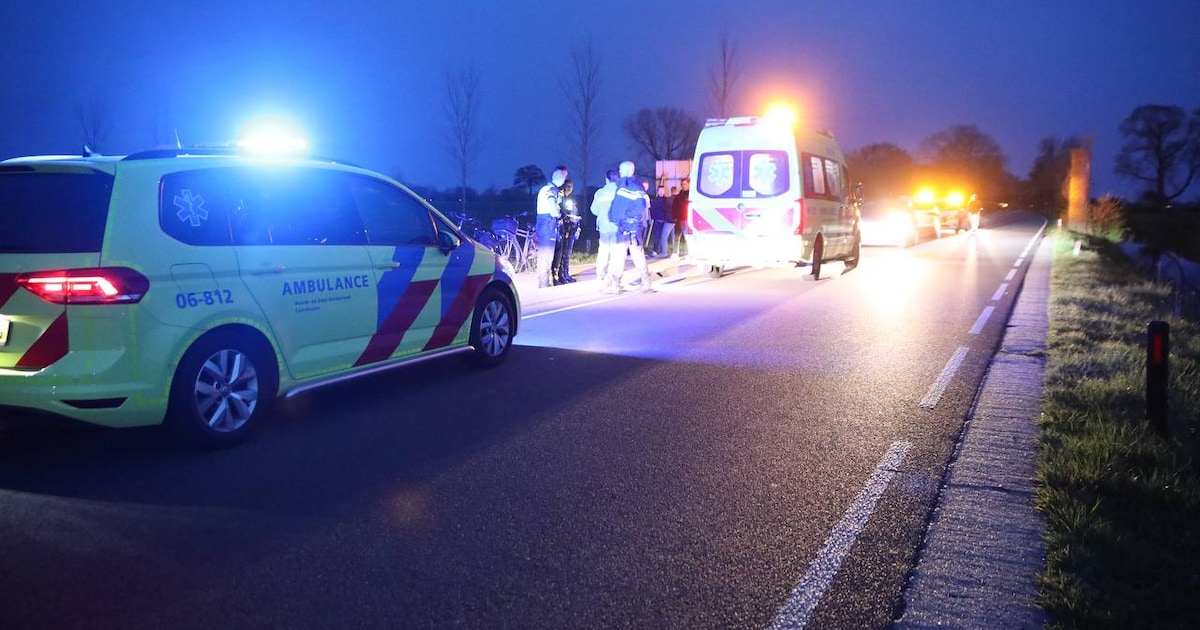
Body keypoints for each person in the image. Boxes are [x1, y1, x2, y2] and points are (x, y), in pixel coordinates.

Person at [603, 161, 653, 294]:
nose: (619, 171)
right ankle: (646, 281)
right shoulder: (634, 186)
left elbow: (621, 209)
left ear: (627, 170)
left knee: (620, 255)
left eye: (620, 169)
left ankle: (616, 284)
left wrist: (616, 218)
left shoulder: (626, 186)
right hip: (632, 227)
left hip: (625, 227)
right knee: (637, 254)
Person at [535, 166, 567, 288]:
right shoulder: (551, 190)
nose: (564, 180)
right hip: (548, 223)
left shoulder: (544, 188)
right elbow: (552, 206)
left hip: (543, 223)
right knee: (547, 254)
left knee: (544, 253)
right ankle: (544, 283)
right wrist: (557, 214)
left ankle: (543, 281)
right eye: (563, 177)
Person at [590, 169, 620, 288]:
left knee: (603, 249)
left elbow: (593, 210)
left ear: (606, 179)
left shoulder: (600, 193)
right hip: (617, 226)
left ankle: (600, 274)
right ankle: (611, 275)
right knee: (615, 251)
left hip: (603, 225)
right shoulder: (620, 192)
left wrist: (602, 213)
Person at [552, 179, 581, 284]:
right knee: (562, 253)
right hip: (563, 229)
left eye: (571, 187)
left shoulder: (571, 199)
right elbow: (561, 213)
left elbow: (575, 212)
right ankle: (560, 275)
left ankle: (565, 273)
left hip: (571, 228)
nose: (570, 189)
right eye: (568, 186)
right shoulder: (561, 198)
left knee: (567, 253)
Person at [669, 177, 689, 258]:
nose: (683, 186)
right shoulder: (680, 194)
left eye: (685, 184)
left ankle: (688, 253)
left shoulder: (691, 194)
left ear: (688, 184)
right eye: (682, 184)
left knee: (687, 236)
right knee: (677, 236)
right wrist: (675, 216)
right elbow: (674, 206)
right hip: (679, 218)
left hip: (687, 219)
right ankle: (675, 252)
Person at [657, 185, 678, 258]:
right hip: (677, 221)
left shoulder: (669, 199)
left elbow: (664, 208)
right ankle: (675, 252)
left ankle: (664, 252)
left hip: (669, 220)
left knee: (664, 236)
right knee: (674, 237)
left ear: (671, 191)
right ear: (676, 191)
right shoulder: (679, 199)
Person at [647, 185, 668, 258]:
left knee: (664, 237)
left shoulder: (666, 200)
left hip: (665, 221)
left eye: (662, 191)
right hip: (657, 221)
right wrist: (652, 218)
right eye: (660, 191)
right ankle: (655, 250)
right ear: (658, 191)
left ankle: (664, 251)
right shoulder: (655, 200)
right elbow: (652, 210)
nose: (661, 192)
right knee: (656, 236)